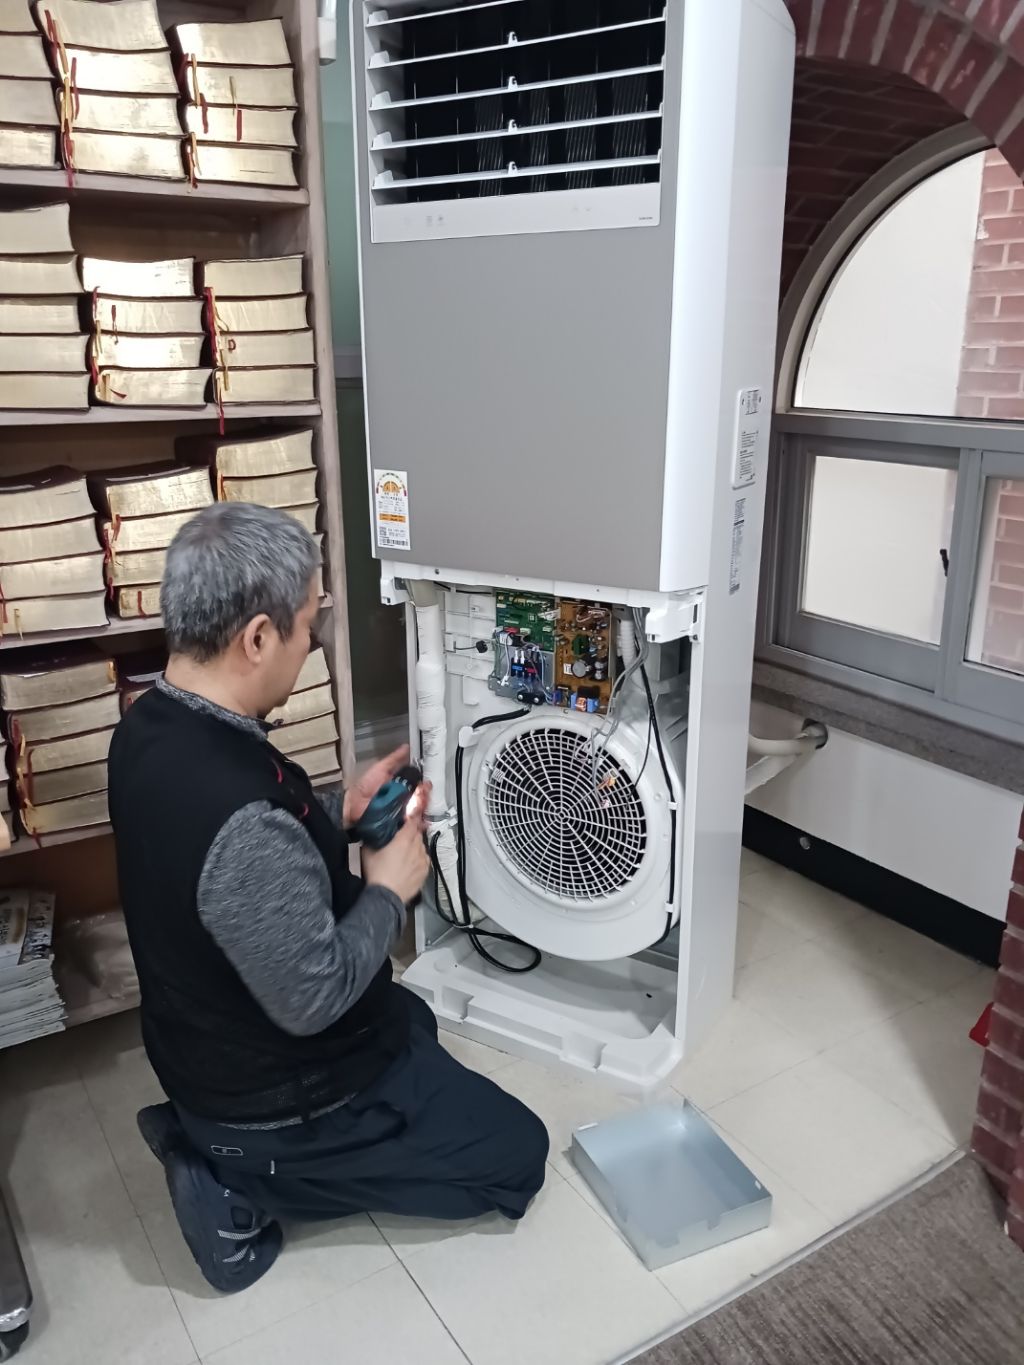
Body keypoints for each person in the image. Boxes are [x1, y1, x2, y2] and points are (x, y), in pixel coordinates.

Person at [108, 502, 548, 1294]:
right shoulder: (240, 820)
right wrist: (387, 890)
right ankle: (236, 1180)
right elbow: (313, 997)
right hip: (273, 1090)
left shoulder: (151, 725)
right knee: (518, 1156)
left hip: (204, 1042)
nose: (314, 642)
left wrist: (339, 814)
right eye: (310, 624)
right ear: (257, 637)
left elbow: (234, 852)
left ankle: (226, 1138)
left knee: (410, 1020)